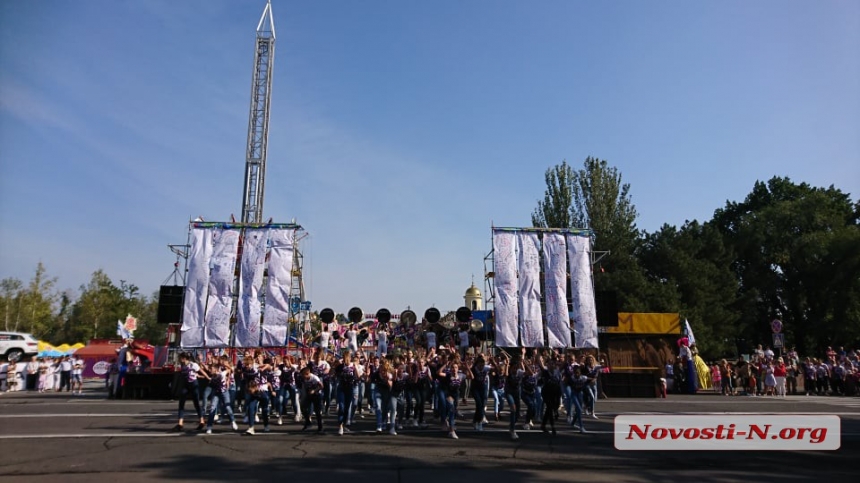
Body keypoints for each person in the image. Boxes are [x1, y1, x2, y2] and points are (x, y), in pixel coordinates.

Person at [172, 352, 207, 432]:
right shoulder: (182, 365)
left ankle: (201, 420)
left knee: (196, 403)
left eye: (181, 358)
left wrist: (207, 377)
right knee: (181, 403)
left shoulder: (193, 364)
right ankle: (180, 423)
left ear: (184, 358)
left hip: (193, 384)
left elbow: (201, 371)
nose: (180, 359)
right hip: (185, 384)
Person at [300, 366, 324, 433]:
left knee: (317, 412)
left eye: (303, 375)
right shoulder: (303, 379)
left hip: (317, 395)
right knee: (303, 408)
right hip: (308, 395)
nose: (302, 376)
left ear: (307, 374)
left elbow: (321, 386)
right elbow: (304, 386)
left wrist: (315, 390)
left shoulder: (314, 378)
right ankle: (308, 422)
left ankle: (320, 427)